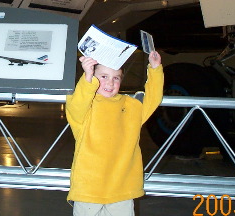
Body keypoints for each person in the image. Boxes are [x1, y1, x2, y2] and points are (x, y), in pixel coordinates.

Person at [66, 50, 164, 216]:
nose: (110, 83)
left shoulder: (131, 106)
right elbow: (77, 104)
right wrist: (87, 77)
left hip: (122, 187)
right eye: (103, 76)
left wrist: (155, 69)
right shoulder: (84, 106)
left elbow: (153, 99)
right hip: (89, 188)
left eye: (116, 78)